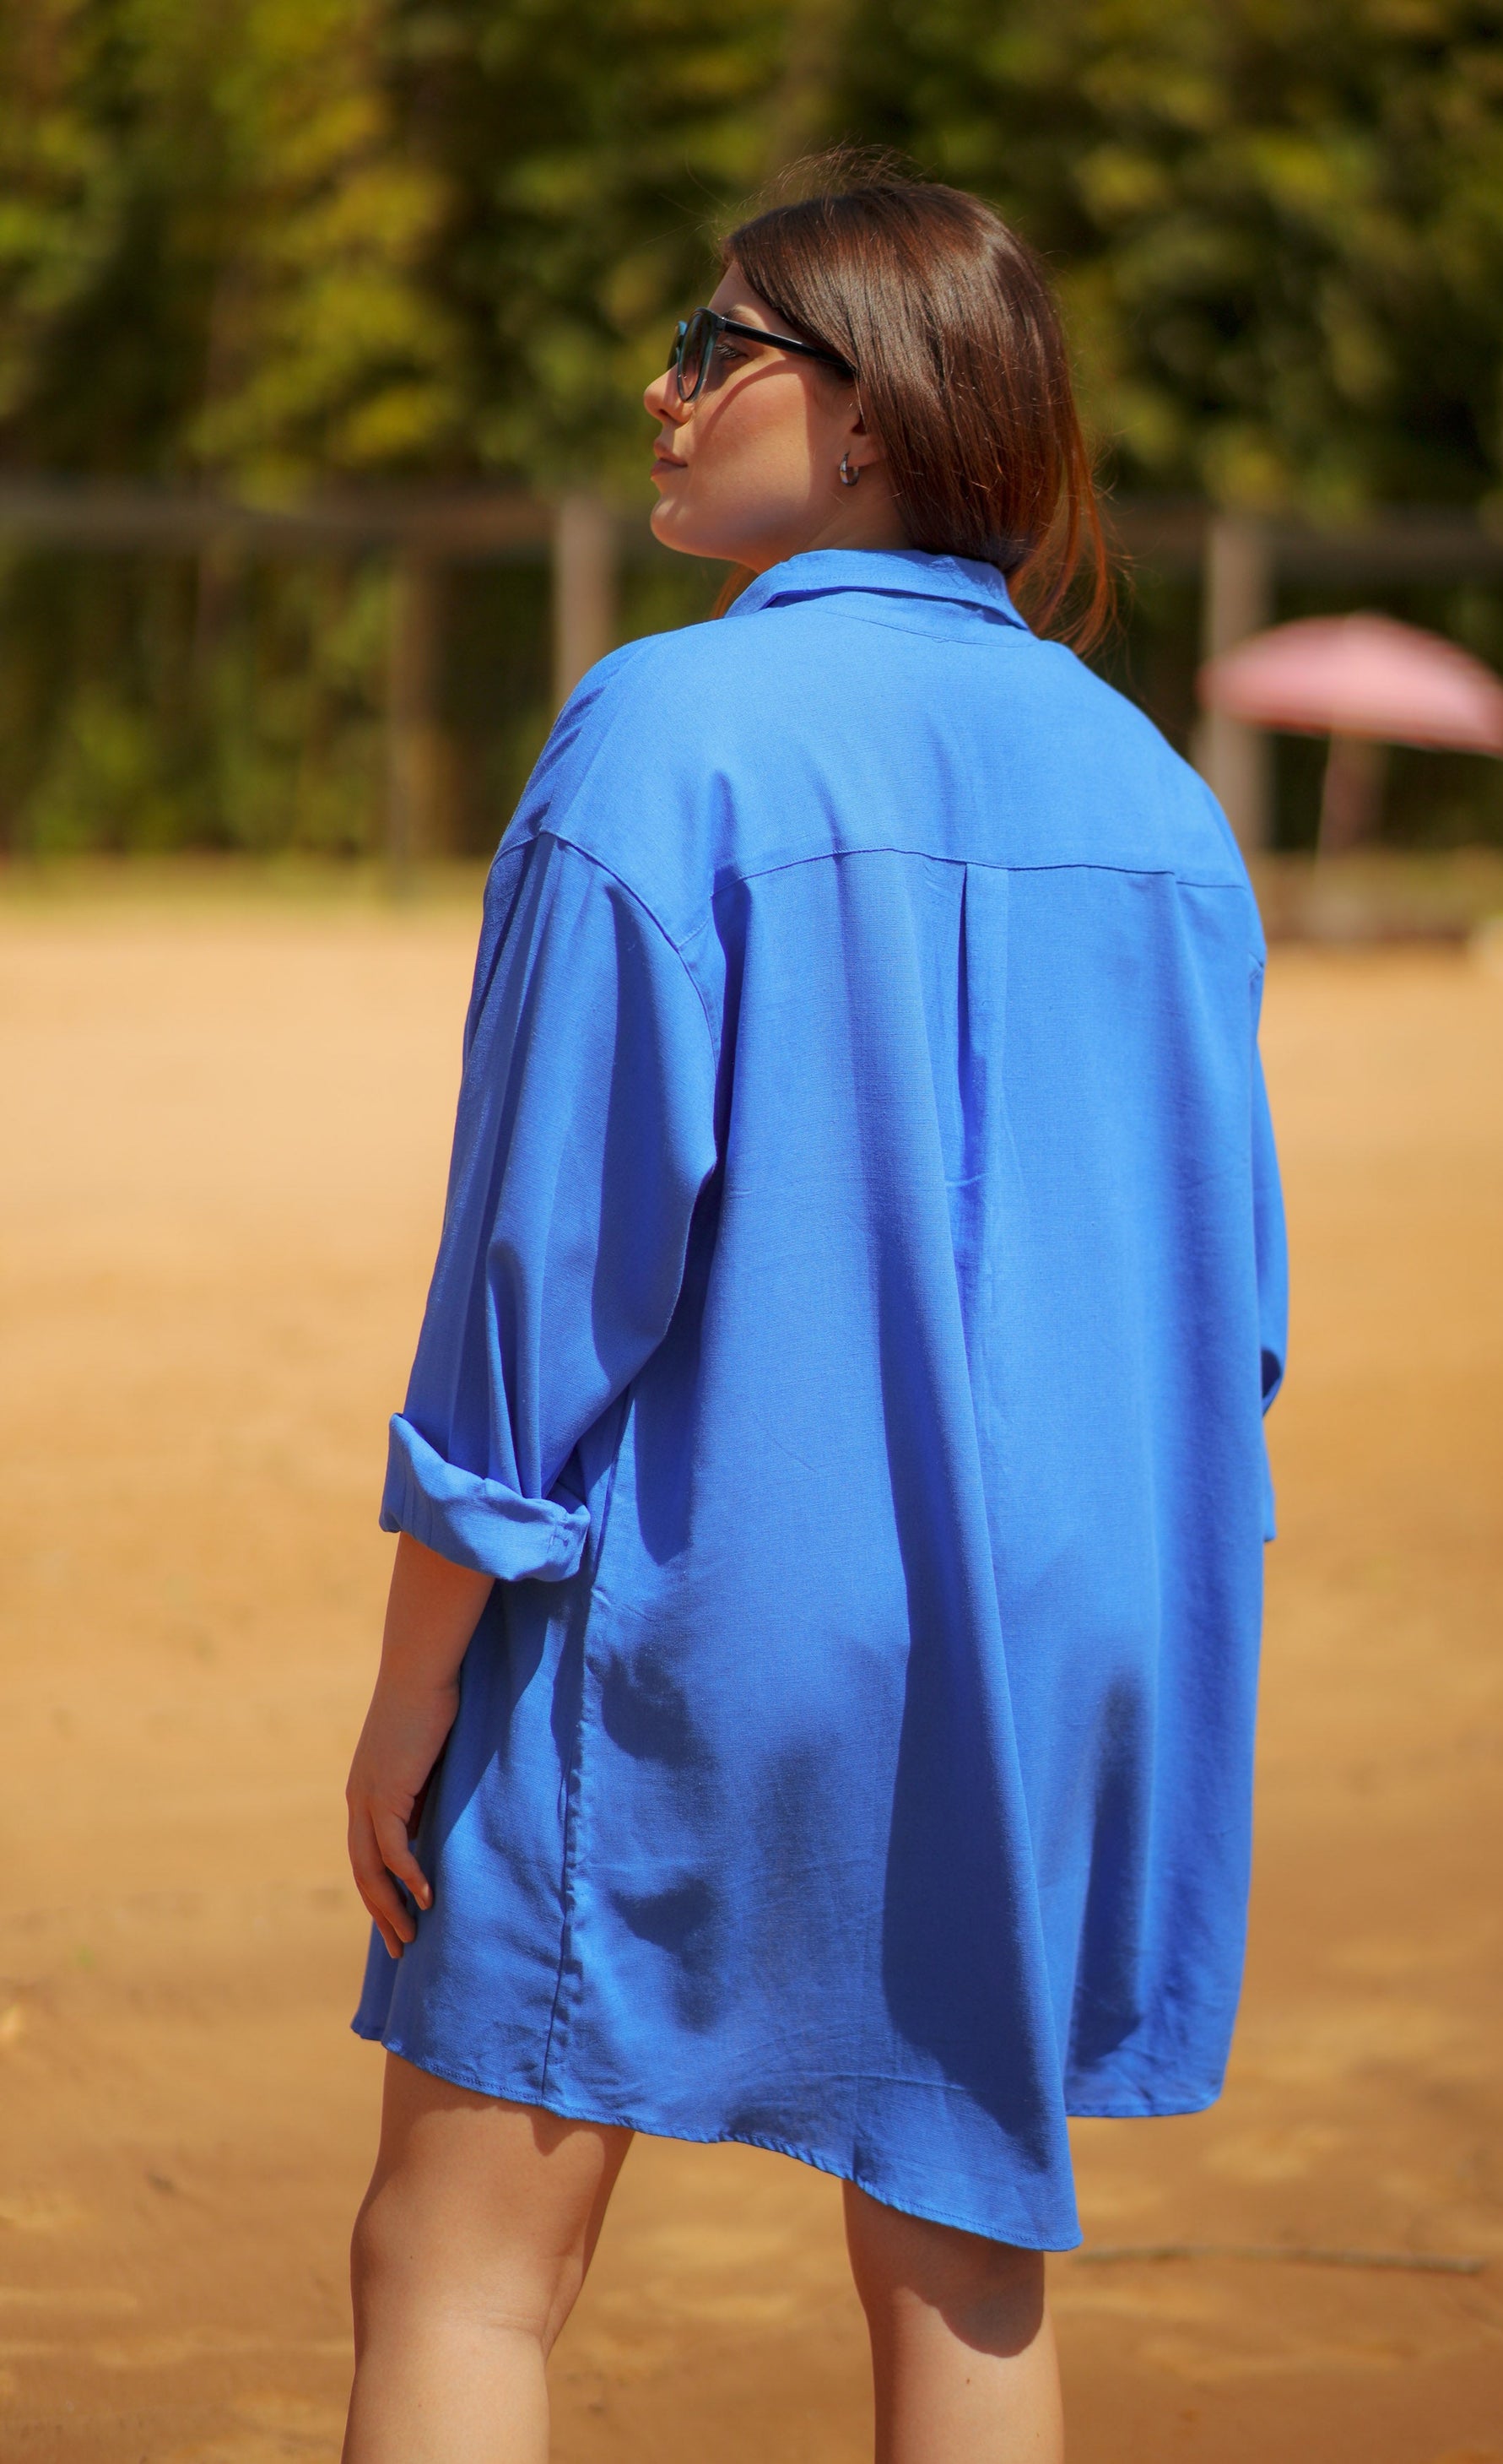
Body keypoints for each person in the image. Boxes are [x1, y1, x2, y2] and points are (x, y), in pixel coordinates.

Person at [340, 164, 1286, 2464]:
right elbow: (1227, 1309)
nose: (662, 392)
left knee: (459, 2266)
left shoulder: (669, 727)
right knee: (961, 2268)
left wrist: (414, 1679)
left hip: (723, 1605)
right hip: (1069, 1625)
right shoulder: (1158, 791)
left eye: (715, 345)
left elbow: (547, 1274)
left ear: (871, 411)